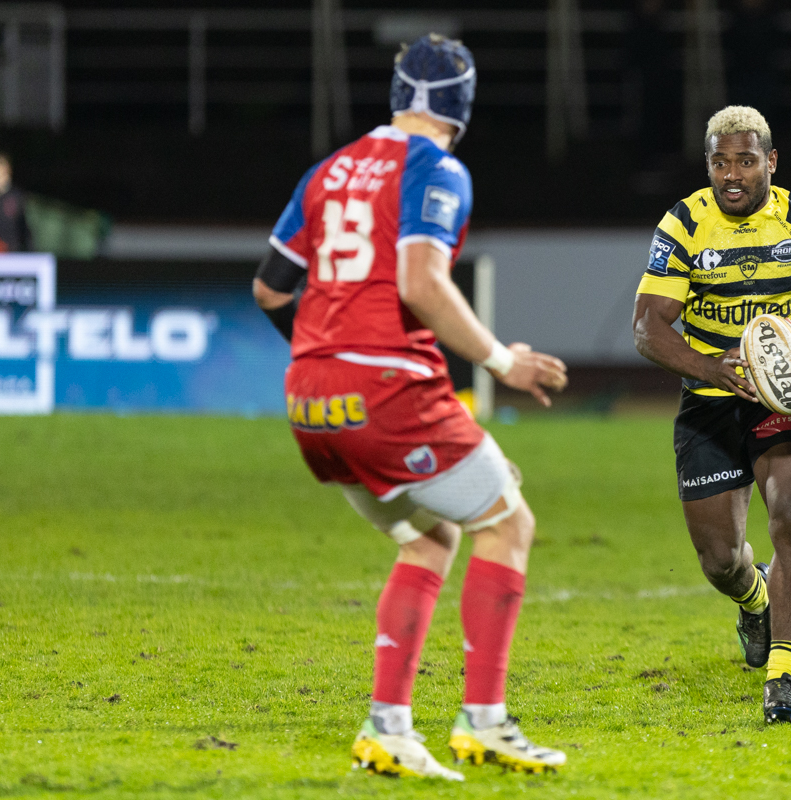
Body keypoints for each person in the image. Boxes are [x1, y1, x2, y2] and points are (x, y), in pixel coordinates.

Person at [252, 35, 569, 779]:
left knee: (430, 537)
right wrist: (503, 362)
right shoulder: (438, 168)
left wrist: (322, 359)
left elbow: (270, 287)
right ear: (463, 105)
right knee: (508, 521)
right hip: (387, 389)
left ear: (395, 95)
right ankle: (484, 722)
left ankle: (388, 727)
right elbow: (420, 282)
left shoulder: (328, 169)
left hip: (309, 397)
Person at [631, 106, 791, 724]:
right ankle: (753, 599)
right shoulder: (686, 222)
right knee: (721, 559)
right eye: (720, 162)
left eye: (746, 160)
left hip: (785, 397)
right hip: (712, 401)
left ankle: (783, 677)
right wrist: (709, 367)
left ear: (770, 162)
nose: (732, 174)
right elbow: (647, 326)